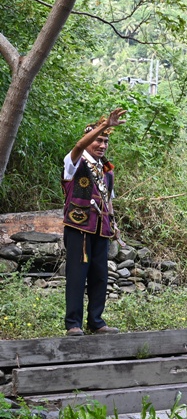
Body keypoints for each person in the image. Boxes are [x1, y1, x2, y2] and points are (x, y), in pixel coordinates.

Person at [63, 108, 127, 336]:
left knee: (100, 276)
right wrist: (102, 125)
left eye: (106, 141)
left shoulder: (107, 171)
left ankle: (96, 322)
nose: (102, 145)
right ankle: (73, 324)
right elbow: (79, 146)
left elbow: (108, 200)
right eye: (98, 140)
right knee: (77, 275)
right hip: (78, 227)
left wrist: (114, 225)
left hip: (101, 230)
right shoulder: (74, 162)